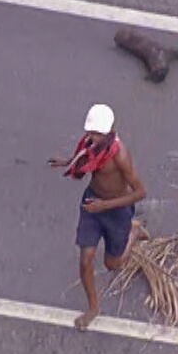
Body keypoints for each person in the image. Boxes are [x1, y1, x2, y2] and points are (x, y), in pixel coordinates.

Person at [50, 103, 147, 329]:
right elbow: (83, 156)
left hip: (115, 211)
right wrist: (67, 162)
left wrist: (105, 206)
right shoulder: (91, 145)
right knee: (85, 259)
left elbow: (141, 192)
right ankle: (93, 307)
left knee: (113, 264)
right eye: (90, 132)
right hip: (92, 205)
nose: (91, 138)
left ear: (109, 132)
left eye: (96, 134)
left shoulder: (120, 156)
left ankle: (133, 232)